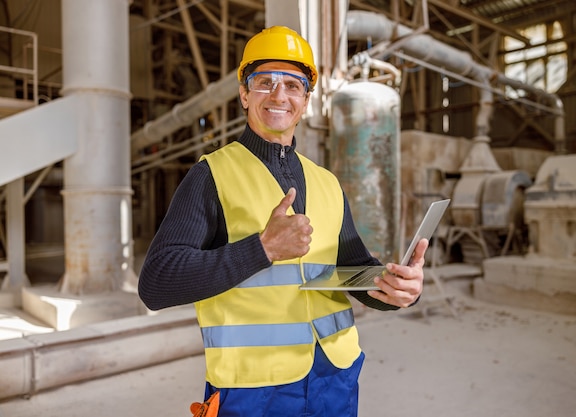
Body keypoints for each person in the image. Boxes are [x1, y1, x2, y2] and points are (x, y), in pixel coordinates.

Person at [138, 25, 427, 417]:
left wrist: (394, 288)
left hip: (334, 380)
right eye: (265, 83)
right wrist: (261, 249)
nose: (279, 95)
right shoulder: (211, 176)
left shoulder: (327, 182)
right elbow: (156, 283)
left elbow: (350, 270)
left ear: (306, 99)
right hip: (254, 391)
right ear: (244, 94)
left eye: (292, 85)